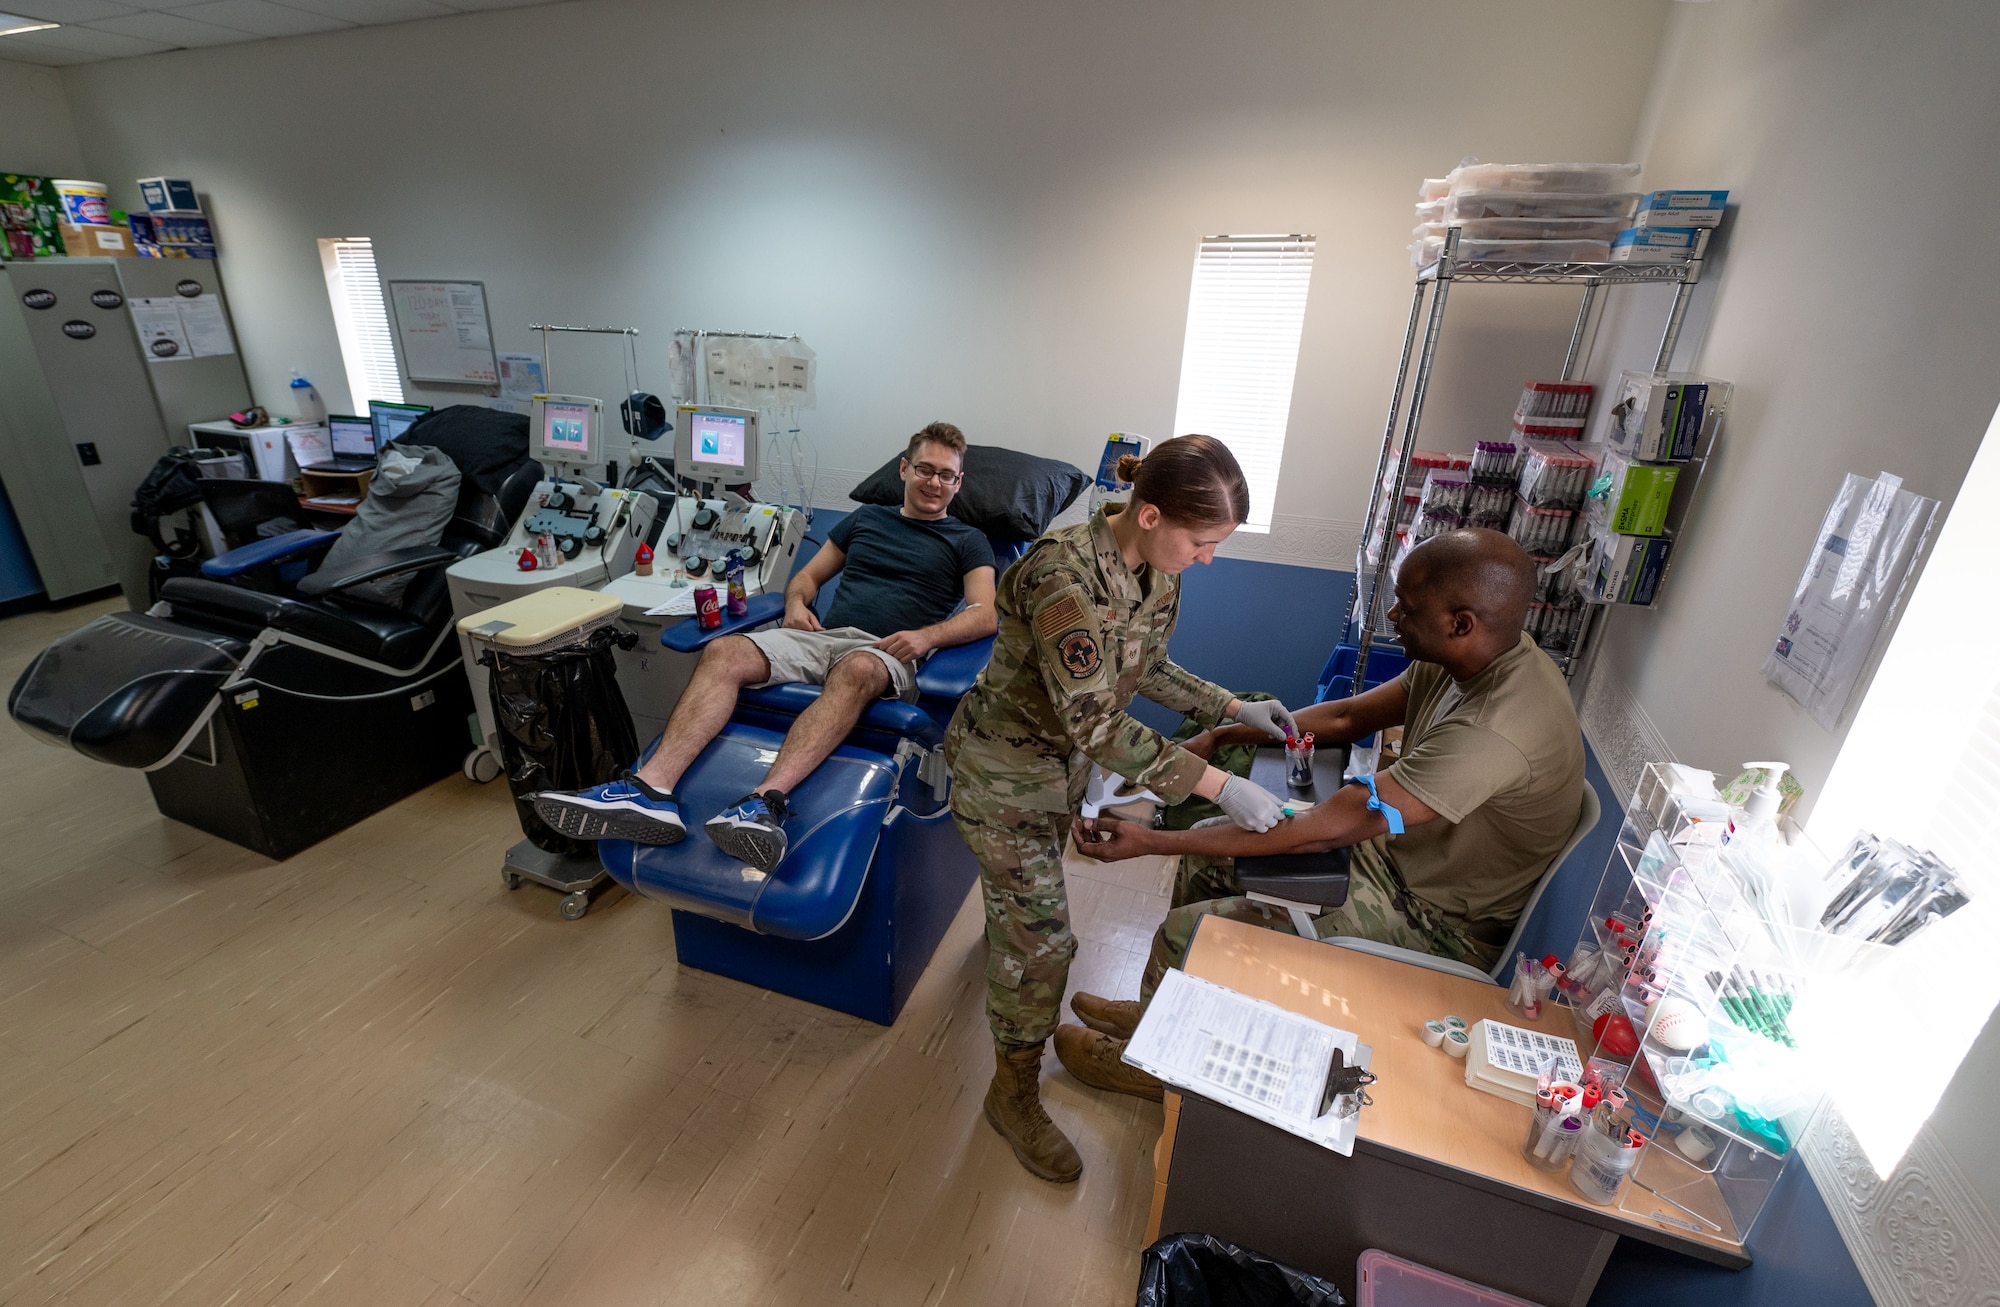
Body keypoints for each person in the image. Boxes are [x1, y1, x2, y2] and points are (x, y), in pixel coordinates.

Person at [1059, 528, 1586, 1100]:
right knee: (1208, 854)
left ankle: (1151, 1068)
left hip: (1433, 921)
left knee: (1189, 930)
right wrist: (1223, 732)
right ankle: (1161, 1015)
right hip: (1393, 862)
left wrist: (1150, 841)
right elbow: (1345, 720)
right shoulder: (1467, 657)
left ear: (1461, 622)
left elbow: (1325, 829)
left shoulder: (1497, 729)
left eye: (1407, 609)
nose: (1391, 614)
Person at [944, 435, 1299, 1184]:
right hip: (1002, 774)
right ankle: (1012, 1093)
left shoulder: (1153, 570)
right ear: (1150, 513)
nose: (1207, 558)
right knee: (1045, 946)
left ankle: (1007, 950)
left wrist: (1235, 706)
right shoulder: (1060, 575)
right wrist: (1218, 784)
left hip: (1055, 775)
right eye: (1201, 542)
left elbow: (1150, 666)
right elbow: (1098, 722)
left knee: (1019, 921)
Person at [536, 421, 998, 872]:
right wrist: (797, 603)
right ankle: (650, 792)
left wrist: (926, 637)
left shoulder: (967, 540)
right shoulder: (866, 519)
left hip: (884, 652)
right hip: (817, 638)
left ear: (958, 484)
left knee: (857, 669)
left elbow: (985, 613)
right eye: (925, 469)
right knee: (726, 649)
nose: (934, 482)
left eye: (946, 475)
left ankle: (762, 803)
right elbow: (808, 577)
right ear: (903, 469)